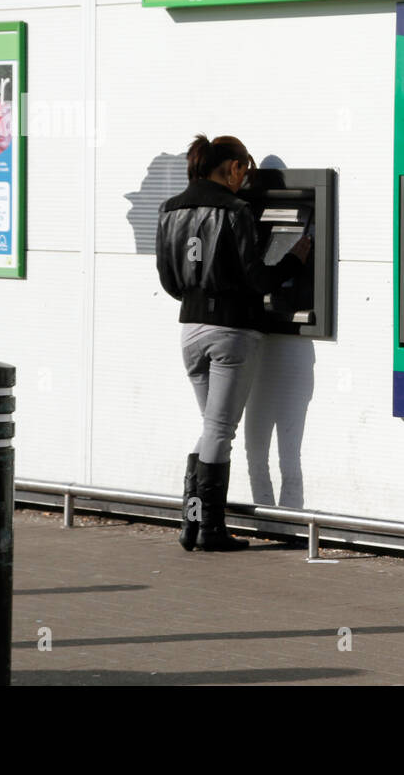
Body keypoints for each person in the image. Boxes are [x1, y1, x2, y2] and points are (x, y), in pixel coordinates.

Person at [156, 134, 311, 551]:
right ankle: (210, 530)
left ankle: (192, 525)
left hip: (189, 329)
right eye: (245, 166)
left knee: (212, 429)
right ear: (231, 167)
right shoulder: (237, 210)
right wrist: (296, 257)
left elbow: (170, 282)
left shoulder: (169, 210)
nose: (246, 174)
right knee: (220, 430)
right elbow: (257, 279)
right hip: (232, 331)